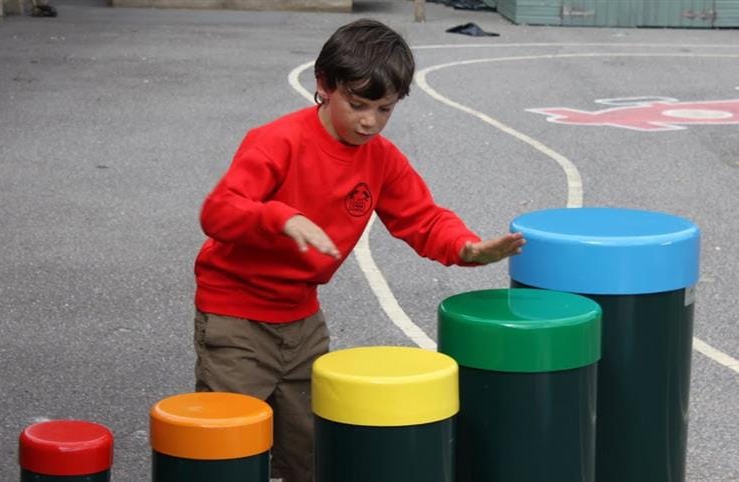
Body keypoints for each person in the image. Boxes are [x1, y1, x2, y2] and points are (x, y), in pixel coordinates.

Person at [192, 18, 525, 482]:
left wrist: (467, 248)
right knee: (228, 448)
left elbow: (423, 219)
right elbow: (218, 212)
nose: (370, 120)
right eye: (358, 104)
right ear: (324, 85)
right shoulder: (277, 142)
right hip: (236, 318)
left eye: (385, 108)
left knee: (311, 452)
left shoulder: (381, 159)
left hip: (302, 321)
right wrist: (281, 217)